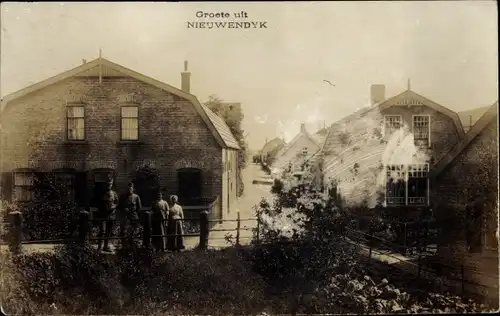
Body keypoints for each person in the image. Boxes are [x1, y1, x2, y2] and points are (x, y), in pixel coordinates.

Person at [97, 179, 119, 252]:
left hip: (111, 215)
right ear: (106, 184)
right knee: (102, 231)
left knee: (108, 231)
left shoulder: (114, 193)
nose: (109, 185)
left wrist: (114, 207)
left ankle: (106, 246)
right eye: (108, 184)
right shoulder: (102, 193)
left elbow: (117, 202)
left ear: (112, 184)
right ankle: (100, 247)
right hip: (103, 214)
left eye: (110, 184)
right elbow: (99, 203)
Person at [118, 181, 142, 249]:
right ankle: (124, 245)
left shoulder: (136, 197)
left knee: (135, 230)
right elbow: (119, 206)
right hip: (125, 216)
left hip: (133, 216)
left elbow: (139, 207)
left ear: (133, 189)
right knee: (124, 230)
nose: (129, 190)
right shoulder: (122, 196)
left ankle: (134, 244)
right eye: (128, 189)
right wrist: (123, 209)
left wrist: (134, 212)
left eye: (131, 189)